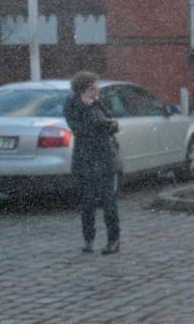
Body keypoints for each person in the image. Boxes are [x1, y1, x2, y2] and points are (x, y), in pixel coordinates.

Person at [63, 71, 120, 255]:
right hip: (85, 158)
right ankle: (89, 240)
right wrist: (91, 114)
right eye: (93, 88)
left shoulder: (99, 102)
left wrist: (110, 124)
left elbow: (113, 123)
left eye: (97, 87)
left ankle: (114, 240)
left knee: (108, 200)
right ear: (83, 88)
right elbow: (79, 129)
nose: (97, 91)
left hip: (104, 156)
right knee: (87, 202)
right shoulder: (72, 104)